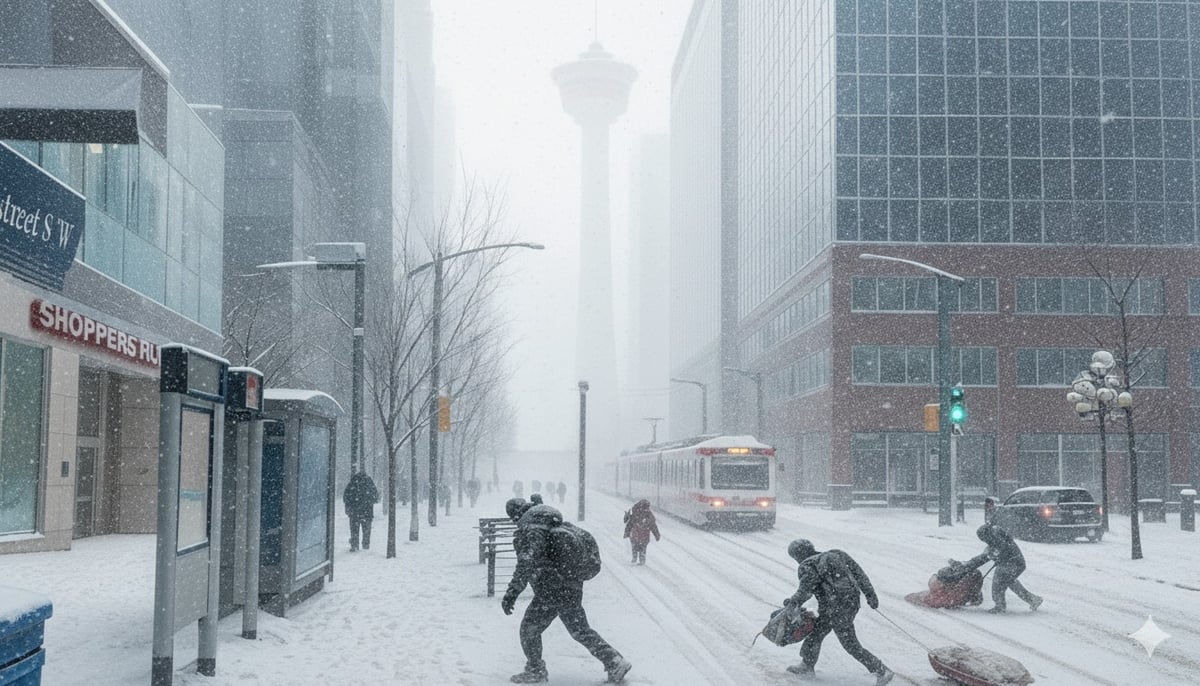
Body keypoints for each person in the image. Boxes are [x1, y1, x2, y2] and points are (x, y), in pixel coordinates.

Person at [501, 498, 632, 684]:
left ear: (515, 515)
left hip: (550, 589)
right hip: (571, 585)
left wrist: (512, 593)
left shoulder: (533, 529)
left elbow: (526, 562)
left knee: (529, 629)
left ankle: (535, 670)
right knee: (579, 629)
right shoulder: (551, 523)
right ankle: (614, 661)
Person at [782, 539, 893, 685]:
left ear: (797, 556)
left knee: (850, 643)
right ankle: (807, 665)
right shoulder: (837, 554)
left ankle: (881, 670)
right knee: (817, 632)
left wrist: (793, 602)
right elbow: (859, 573)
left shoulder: (808, 565)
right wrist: (870, 595)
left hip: (835, 608)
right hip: (850, 603)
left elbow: (805, 590)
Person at [965, 524, 1042, 614]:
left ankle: (1000, 606)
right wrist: (969, 564)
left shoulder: (998, 541)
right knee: (1010, 582)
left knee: (998, 581)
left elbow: (986, 557)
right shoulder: (998, 538)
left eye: (984, 539)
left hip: (1012, 564)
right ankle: (1033, 599)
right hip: (1017, 563)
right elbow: (988, 555)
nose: (985, 541)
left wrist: (969, 565)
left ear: (987, 536)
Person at [343, 470, 379, 552]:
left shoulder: (352, 482)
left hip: (354, 512)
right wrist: (368, 501)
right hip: (367, 512)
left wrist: (349, 507)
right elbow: (376, 497)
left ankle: (354, 545)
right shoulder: (369, 482)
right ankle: (365, 546)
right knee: (366, 531)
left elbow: (345, 497)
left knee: (354, 530)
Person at [622, 499, 660, 565]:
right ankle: (641, 561)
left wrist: (627, 533)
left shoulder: (636, 513)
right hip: (643, 536)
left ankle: (635, 559)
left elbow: (629, 524)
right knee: (642, 549)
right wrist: (657, 535)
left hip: (636, 536)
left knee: (635, 547)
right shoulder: (648, 515)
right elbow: (653, 526)